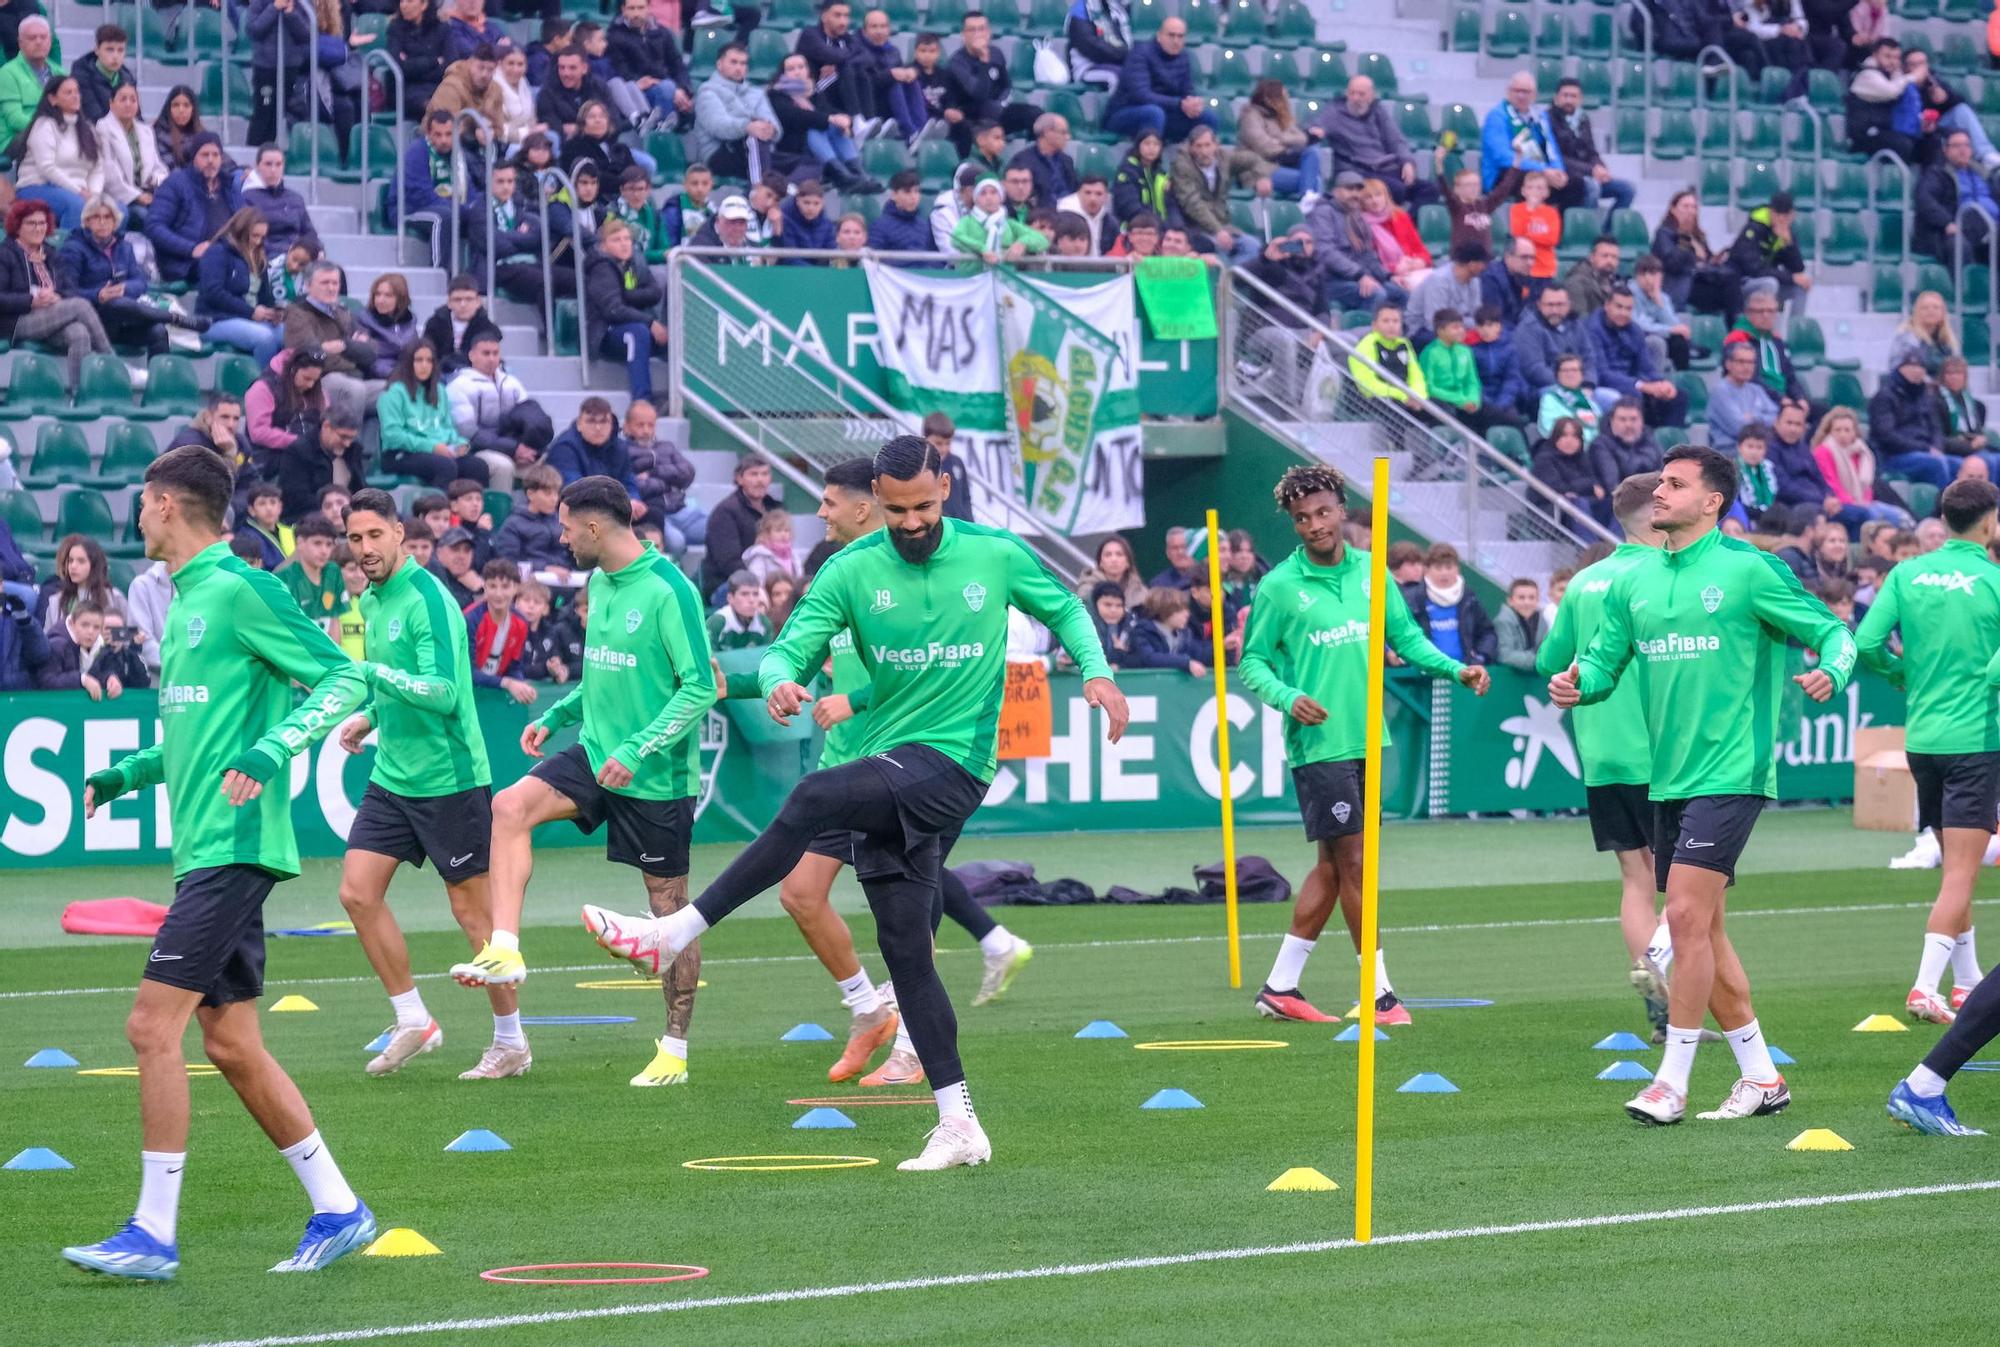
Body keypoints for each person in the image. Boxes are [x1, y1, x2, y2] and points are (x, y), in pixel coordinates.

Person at [583, 436, 1126, 1167]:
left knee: (813, 796)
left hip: (955, 762)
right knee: (905, 951)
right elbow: (790, 647)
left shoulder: (993, 554)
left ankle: (674, 931)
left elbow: (1067, 610)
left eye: (925, 506)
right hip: (886, 767)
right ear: (879, 496)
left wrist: (1096, 673)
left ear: (944, 488)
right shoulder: (849, 571)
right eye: (897, 509)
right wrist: (779, 677)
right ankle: (959, 1122)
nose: (910, 522)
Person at [65, 446, 375, 1282]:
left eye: (140, 499)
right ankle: (340, 1208)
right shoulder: (189, 598)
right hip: (205, 848)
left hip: (235, 848)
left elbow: (347, 679)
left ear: (167, 502)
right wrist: (129, 772)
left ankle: (153, 1234)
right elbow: (199, 730)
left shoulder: (243, 585)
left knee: (148, 1025)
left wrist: (277, 748)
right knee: (232, 1043)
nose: (135, 514)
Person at [1551, 445, 1856, 1124]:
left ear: (1712, 500)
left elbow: (1834, 633)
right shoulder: (1631, 580)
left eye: (1675, 483)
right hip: (1669, 780)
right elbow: (1603, 663)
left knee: (1684, 918)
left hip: (1734, 772)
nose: (1658, 492)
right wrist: (1578, 685)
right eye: (1660, 480)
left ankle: (1671, 1082)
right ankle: (1762, 1077)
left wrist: (1831, 672)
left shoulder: (1750, 570)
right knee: (1707, 935)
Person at [455, 476, 714, 1090]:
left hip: (656, 774)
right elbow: (603, 676)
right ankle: (507, 946)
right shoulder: (598, 582)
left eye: (568, 527)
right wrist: (556, 714)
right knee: (510, 806)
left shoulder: (670, 590)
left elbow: (699, 687)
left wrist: (639, 747)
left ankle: (674, 1049)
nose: (562, 538)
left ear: (595, 528)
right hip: (596, 753)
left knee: (669, 910)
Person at [1238, 464, 1488, 1025]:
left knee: (1333, 866)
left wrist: (1457, 670)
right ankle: (1379, 996)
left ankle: (1280, 987)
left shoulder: (1374, 575)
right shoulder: (1280, 586)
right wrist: (1287, 696)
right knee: (1355, 863)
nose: (1314, 525)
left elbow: (1406, 640)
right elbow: (1251, 660)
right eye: (1302, 518)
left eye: (1323, 512)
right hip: (1319, 744)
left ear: (1342, 510)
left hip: (1367, 739)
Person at [1535, 474, 1680, 1036]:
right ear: (1657, 513)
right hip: (1662, 750)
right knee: (1695, 887)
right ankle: (1660, 962)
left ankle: (1660, 1008)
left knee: (1635, 878)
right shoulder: (1663, 574)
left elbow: (1551, 656)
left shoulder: (1584, 582)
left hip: (1600, 752)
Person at [0, 197, 112, 387]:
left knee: (79, 332)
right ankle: (112, 363)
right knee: (80, 305)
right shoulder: (5, 254)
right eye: (31, 223)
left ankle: (78, 392)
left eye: (42, 223)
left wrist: (58, 296)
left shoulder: (51, 254)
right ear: (17, 226)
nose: (38, 228)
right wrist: (31, 301)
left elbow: (69, 289)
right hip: (17, 321)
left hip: (52, 315)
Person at [58, 194, 182, 357]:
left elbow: (141, 282)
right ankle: (173, 318)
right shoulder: (73, 249)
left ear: (115, 221)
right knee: (116, 304)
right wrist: (98, 295)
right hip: (93, 319)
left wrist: (124, 288)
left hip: (125, 318)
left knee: (158, 331)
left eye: (107, 217)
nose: (102, 222)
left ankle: (161, 381)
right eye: (96, 217)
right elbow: (66, 292)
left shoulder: (125, 246)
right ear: (87, 222)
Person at [283, 261, 382, 421]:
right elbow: (310, 357)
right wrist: (352, 348)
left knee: (395, 391)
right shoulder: (298, 314)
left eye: (335, 283)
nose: (331, 288)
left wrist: (343, 346)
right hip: (320, 380)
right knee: (354, 390)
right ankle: (347, 443)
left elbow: (371, 352)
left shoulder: (342, 311)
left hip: (354, 377)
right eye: (324, 283)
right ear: (308, 286)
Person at [1311, 74, 1429, 207]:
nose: (1356, 98)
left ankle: (1409, 223)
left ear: (1372, 96)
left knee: (1429, 190)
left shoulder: (1378, 111)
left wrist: (1407, 162)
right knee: (1397, 190)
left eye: (1361, 94)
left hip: (1387, 169)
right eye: (1352, 93)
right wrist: (1315, 131)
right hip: (1358, 170)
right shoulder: (1334, 113)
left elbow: (1396, 140)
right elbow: (1313, 127)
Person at [446, 333, 545, 490]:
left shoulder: (511, 383)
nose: (491, 358)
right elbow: (469, 433)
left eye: (495, 353)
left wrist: (527, 448)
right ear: (472, 355)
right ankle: (501, 513)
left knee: (545, 460)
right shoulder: (458, 386)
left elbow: (529, 416)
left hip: (513, 447)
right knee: (502, 466)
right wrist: (513, 449)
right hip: (475, 450)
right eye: (486, 353)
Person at [147, 134, 244, 284]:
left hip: (224, 256)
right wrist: (192, 249)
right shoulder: (176, 184)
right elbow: (154, 227)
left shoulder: (229, 187)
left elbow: (243, 224)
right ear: (194, 158)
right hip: (184, 263)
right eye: (205, 155)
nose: (210, 160)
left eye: (215, 155)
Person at [941, 11, 1040, 155]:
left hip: (996, 112)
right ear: (963, 35)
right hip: (970, 116)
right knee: (970, 127)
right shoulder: (957, 63)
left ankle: (1032, 158)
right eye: (972, 30)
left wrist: (1000, 103)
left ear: (989, 32)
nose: (978, 34)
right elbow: (978, 93)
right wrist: (984, 61)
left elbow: (1006, 85)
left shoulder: (996, 53)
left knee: (1035, 115)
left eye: (981, 29)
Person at [1588, 287, 1688, 428]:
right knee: (1634, 396)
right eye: (1619, 307)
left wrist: (1661, 383)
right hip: (1606, 385)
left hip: (1634, 383)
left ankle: (1670, 445)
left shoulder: (1634, 329)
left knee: (1678, 397)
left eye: (1628, 309)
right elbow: (1602, 373)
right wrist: (1643, 386)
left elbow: (1646, 366)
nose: (1623, 313)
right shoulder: (1593, 330)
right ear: (1607, 306)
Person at [13, 76, 102, 230]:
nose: (75, 96)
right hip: (37, 187)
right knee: (76, 206)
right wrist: (79, 192)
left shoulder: (88, 128)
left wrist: (94, 194)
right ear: (53, 99)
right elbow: (47, 168)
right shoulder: (44, 126)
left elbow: (98, 168)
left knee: (118, 210)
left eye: (77, 92)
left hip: (78, 192)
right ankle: (68, 251)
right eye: (68, 92)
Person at [1815, 406, 1913, 533]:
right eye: (1837, 430)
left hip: (1864, 502)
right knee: (1874, 518)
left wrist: (1865, 501)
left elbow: (1867, 485)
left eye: (1847, 430)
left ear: (1854, 432)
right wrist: (1854, 502)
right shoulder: (1823, 451)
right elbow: (1831, 484)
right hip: (1841, 504)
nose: (1842, 434)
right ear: (1829, 432)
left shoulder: (1861, 451)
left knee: (1901, 517)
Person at [1549, 76, 1632, 223]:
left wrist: (1601, 168)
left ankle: (1607, 233)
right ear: (1556, 98)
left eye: (1573, 96)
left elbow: (1591, 151)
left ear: (1580, 99)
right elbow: (1556, 157)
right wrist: (1591, 170)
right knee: (1591, 186)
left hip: (1588, 174)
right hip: (1566, 178)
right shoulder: (1548, 119)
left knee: (1626, 190)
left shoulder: (1583, 119)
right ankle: (1588, 232)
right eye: (1565, 95)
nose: (1569, 100)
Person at [692, 43, 777, 183]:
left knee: (808, 163)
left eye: (743, 63)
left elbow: (773, 123)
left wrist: (770, 129)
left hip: (757, 152)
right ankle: (759, 190)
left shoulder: (756, 92)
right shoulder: (707, 91)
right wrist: (748, 127)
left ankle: (780, 189)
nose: (739, 67)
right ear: (719, 64)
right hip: (719, 153)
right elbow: (719, 126)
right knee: (753, 139)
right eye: (733, 62)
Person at [1868, 352, 1954, 491]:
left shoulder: (1926, 396)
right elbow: (1886, 435)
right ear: (1900, 368)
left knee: (1967, 465)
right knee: (1936, 464)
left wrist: (1936, 447)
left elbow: (1936, 428)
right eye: (1911, 365)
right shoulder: (1885, 396)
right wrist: (1924, 448)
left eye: (1921, 366)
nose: (1917, 370)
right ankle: (1943, 509)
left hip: (1927, 452)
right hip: (1894, 456)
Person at [1652, 189, 1742, 319]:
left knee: (1734, 280)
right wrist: (1683, 241)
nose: (1690, 211)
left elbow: (1706, 259)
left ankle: (1736, 328)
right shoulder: (1664, 234)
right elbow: (1672, 264)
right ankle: (1737, 328)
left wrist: (1715, 260)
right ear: (1673, 209)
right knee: (1730, 290)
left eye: (1693, 207)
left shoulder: (1698, 236)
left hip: (1703, 279)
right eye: (1685, 206)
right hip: (1683, 285)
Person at [1404, 541, 1497, 664]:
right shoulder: (1413, 598)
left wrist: (1481, 657)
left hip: (1462, 673)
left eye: (1449, 567)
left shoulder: (1469, 598)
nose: (1444, 573)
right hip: (1424, 672)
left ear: (1457, 569)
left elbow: (1487, 632)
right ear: (1427, 570)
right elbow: (1398, 631)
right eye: (1438, 568)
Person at [1914, 129, 1996, 266]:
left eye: (1966, 145)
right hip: (1957, 228)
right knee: (1959, 246)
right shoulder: (1937, 174)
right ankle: (1963, 287)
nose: (1962, 150)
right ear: (1946, 150)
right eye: (1957, 146)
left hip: (1992, 227)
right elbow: (1925, 200)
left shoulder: (1984, 173)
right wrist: (1946, 223)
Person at [1480, 71, 1565, 197]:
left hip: (1537, 170)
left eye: (1526, 92)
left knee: (1574, 185)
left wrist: (1558, 170)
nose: (1521, 96)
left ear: (1534, 95)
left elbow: (1551, 148)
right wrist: (1542, 170)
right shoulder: (1497, 116)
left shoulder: (1540, 117)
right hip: (1503, 173)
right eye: (1517, 91)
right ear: (1508, 92)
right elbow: (1502, 157)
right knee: (1532, 183)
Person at [279, 407, 368, 525]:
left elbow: (360, 488)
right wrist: (333, 507)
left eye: (351, 438)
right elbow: (296, 498)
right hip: (309, 521)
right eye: (343, 437)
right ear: (326, 427)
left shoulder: (352, 451)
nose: (347, 443)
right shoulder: (297, 452)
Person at [1236, 80, 1320, 203]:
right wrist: (1286, 146)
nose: (1286, 101)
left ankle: (1307, 201)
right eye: (1283, 98)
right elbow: (1264, 147)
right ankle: (1309, 207)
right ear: (1269, 99)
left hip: (1279, 164)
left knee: (1312, 152)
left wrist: (1280, 139)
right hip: (1258, 170)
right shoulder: (1250, 116)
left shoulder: (1281, 116)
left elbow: (1302, 139)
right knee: (1315, 181)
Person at [1724, 190, 1811, 306]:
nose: (1781, 219)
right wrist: (1790, 278)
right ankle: (1765, 323)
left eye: (1785, 215)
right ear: (1771, 211)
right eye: (1777, 214)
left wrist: (1789, 244)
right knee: (1770, 284)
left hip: (1767, 278)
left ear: (1792, 215)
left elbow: (1797, 269)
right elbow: (1754, 269)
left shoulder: (1787, 232)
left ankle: (1794, 324)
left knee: (1801, 286)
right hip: (1741, 282)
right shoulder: (1754, 229)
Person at [97, 82, 166, 221]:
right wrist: (137, 196)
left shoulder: (146, 130)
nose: (128, 104)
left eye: (133, 100)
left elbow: (158, 167)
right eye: (123, 99)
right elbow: (109, 174)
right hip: (120, 197)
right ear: (111, 103)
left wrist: (155, 182)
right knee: (146, 217)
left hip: (148, 193)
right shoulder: (103, 128)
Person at [35, 533, 126, 634]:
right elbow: (49, 640)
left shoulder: (115, 597)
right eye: (70, 561)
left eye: (81, 561)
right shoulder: (56, 601)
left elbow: (129, 636)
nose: (73, 566)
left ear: (94, 565)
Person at [242, 144, 318, 262]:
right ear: (257, 167)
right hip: (266, 260)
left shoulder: (296, 198)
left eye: (278, 164)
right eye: (268, 164)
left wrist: (316, 249)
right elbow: (251, 237)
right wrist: (285, 254)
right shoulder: (247, 198)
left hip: (298, 257)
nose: (273, 170)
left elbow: (309, 232)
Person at [1847, 36, 1914, 162]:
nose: (1893, 62)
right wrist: (1912, 76)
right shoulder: (1866, 75)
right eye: (1887, 56)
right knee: (1903, 145)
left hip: (1885, 132)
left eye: (1896, 58)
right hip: (1865, 135)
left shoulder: (1893, 76)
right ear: (1875, 55)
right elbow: (1890, 91)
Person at [422, 274, 502, 376]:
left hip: (475, 377)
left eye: (469, 299)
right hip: (438, 376)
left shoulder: (488, 329)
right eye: (457, 300)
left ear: (478, 302)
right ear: (449, 302)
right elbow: (426, 352)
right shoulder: (435, 324)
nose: (463, 304)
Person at [276, 514, 344, 630]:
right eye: (317, 543)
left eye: (329, 544)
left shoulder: (333, 572)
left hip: (326, 647)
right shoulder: (283, 580)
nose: (324, 551)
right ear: (300, 542)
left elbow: (334, 622)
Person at [0, 13, 58, 148]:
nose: (38, 42)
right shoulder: (7, 73)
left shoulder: (60, 73)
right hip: (14, 139)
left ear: (50, 41)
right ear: (20, 43)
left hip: (52, 134)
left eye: (43, 37)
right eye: (32, 38)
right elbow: (15, 119)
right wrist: (49, 129)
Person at [387, 0, 453, 116]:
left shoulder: (442, 29)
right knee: (434, 108)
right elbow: (398, 68)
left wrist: (412, 65)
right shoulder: (395, 29)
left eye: (410, 1)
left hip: (438, 85)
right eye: (401, 1)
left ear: (424, 5)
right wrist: (434, 61)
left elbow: (450, 65)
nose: (403, 5)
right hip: (406, 89)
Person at [1886, 290, 1960, 380]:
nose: (1930, 311)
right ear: (1917, 312)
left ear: (1943, 313)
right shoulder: (1907, 339)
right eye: (1925, 308)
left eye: (1936, 307)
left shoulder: (1948, 342)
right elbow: (1896, 369)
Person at [73, 22, 134, 125]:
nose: (115, 56)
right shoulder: (81, 76)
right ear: (97, 50)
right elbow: (95, 118)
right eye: (110, 50)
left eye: (120, 50)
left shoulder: (128, 78)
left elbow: (136, 117)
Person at [1507, 170, 1561, 282]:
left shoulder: (1551, 212)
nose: (1534, 192)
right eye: (1530, 187)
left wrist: (1529, 236)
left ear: (1547, 192)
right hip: (1523, 268)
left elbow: (1552, 240)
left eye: (1539, 188)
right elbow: (1518, 235)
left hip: (1545, 268)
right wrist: (1530, 210)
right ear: (1523, 191)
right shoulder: (1516, 209)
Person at [1493, 577, 1546, 673]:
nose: (1527, 602)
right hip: (1507, 678)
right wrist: (1539, 661)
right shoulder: (1503, 621)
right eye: (1521, 598)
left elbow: (1544, 650)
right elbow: (1504, 655)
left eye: (1532, 598)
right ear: (1510, 601)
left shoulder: (1542, 622)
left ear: (1538, 600)